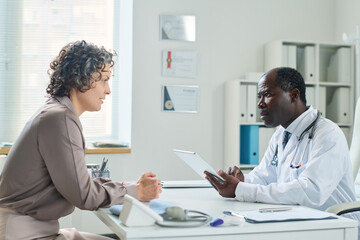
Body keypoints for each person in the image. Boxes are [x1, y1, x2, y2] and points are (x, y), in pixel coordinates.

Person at [0, 40, 162, 240]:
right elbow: (84, 196)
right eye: (103, 80)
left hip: (34, 229)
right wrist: (135, 191)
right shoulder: (60, 118)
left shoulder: (56, 112)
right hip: (24, 234)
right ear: (82, 79)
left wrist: (129, 187)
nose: (108, 90)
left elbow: (78, 181)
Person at [205, 67, 360, 222]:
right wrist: (243, 180)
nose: (260, 104)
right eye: (259, 96)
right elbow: (265, 176)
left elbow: (311, 192)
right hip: (299, 217)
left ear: (293, 95)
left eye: (267, 95)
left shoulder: (327, 133)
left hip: (337, 224)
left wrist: (241, 190)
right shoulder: (281, 133)